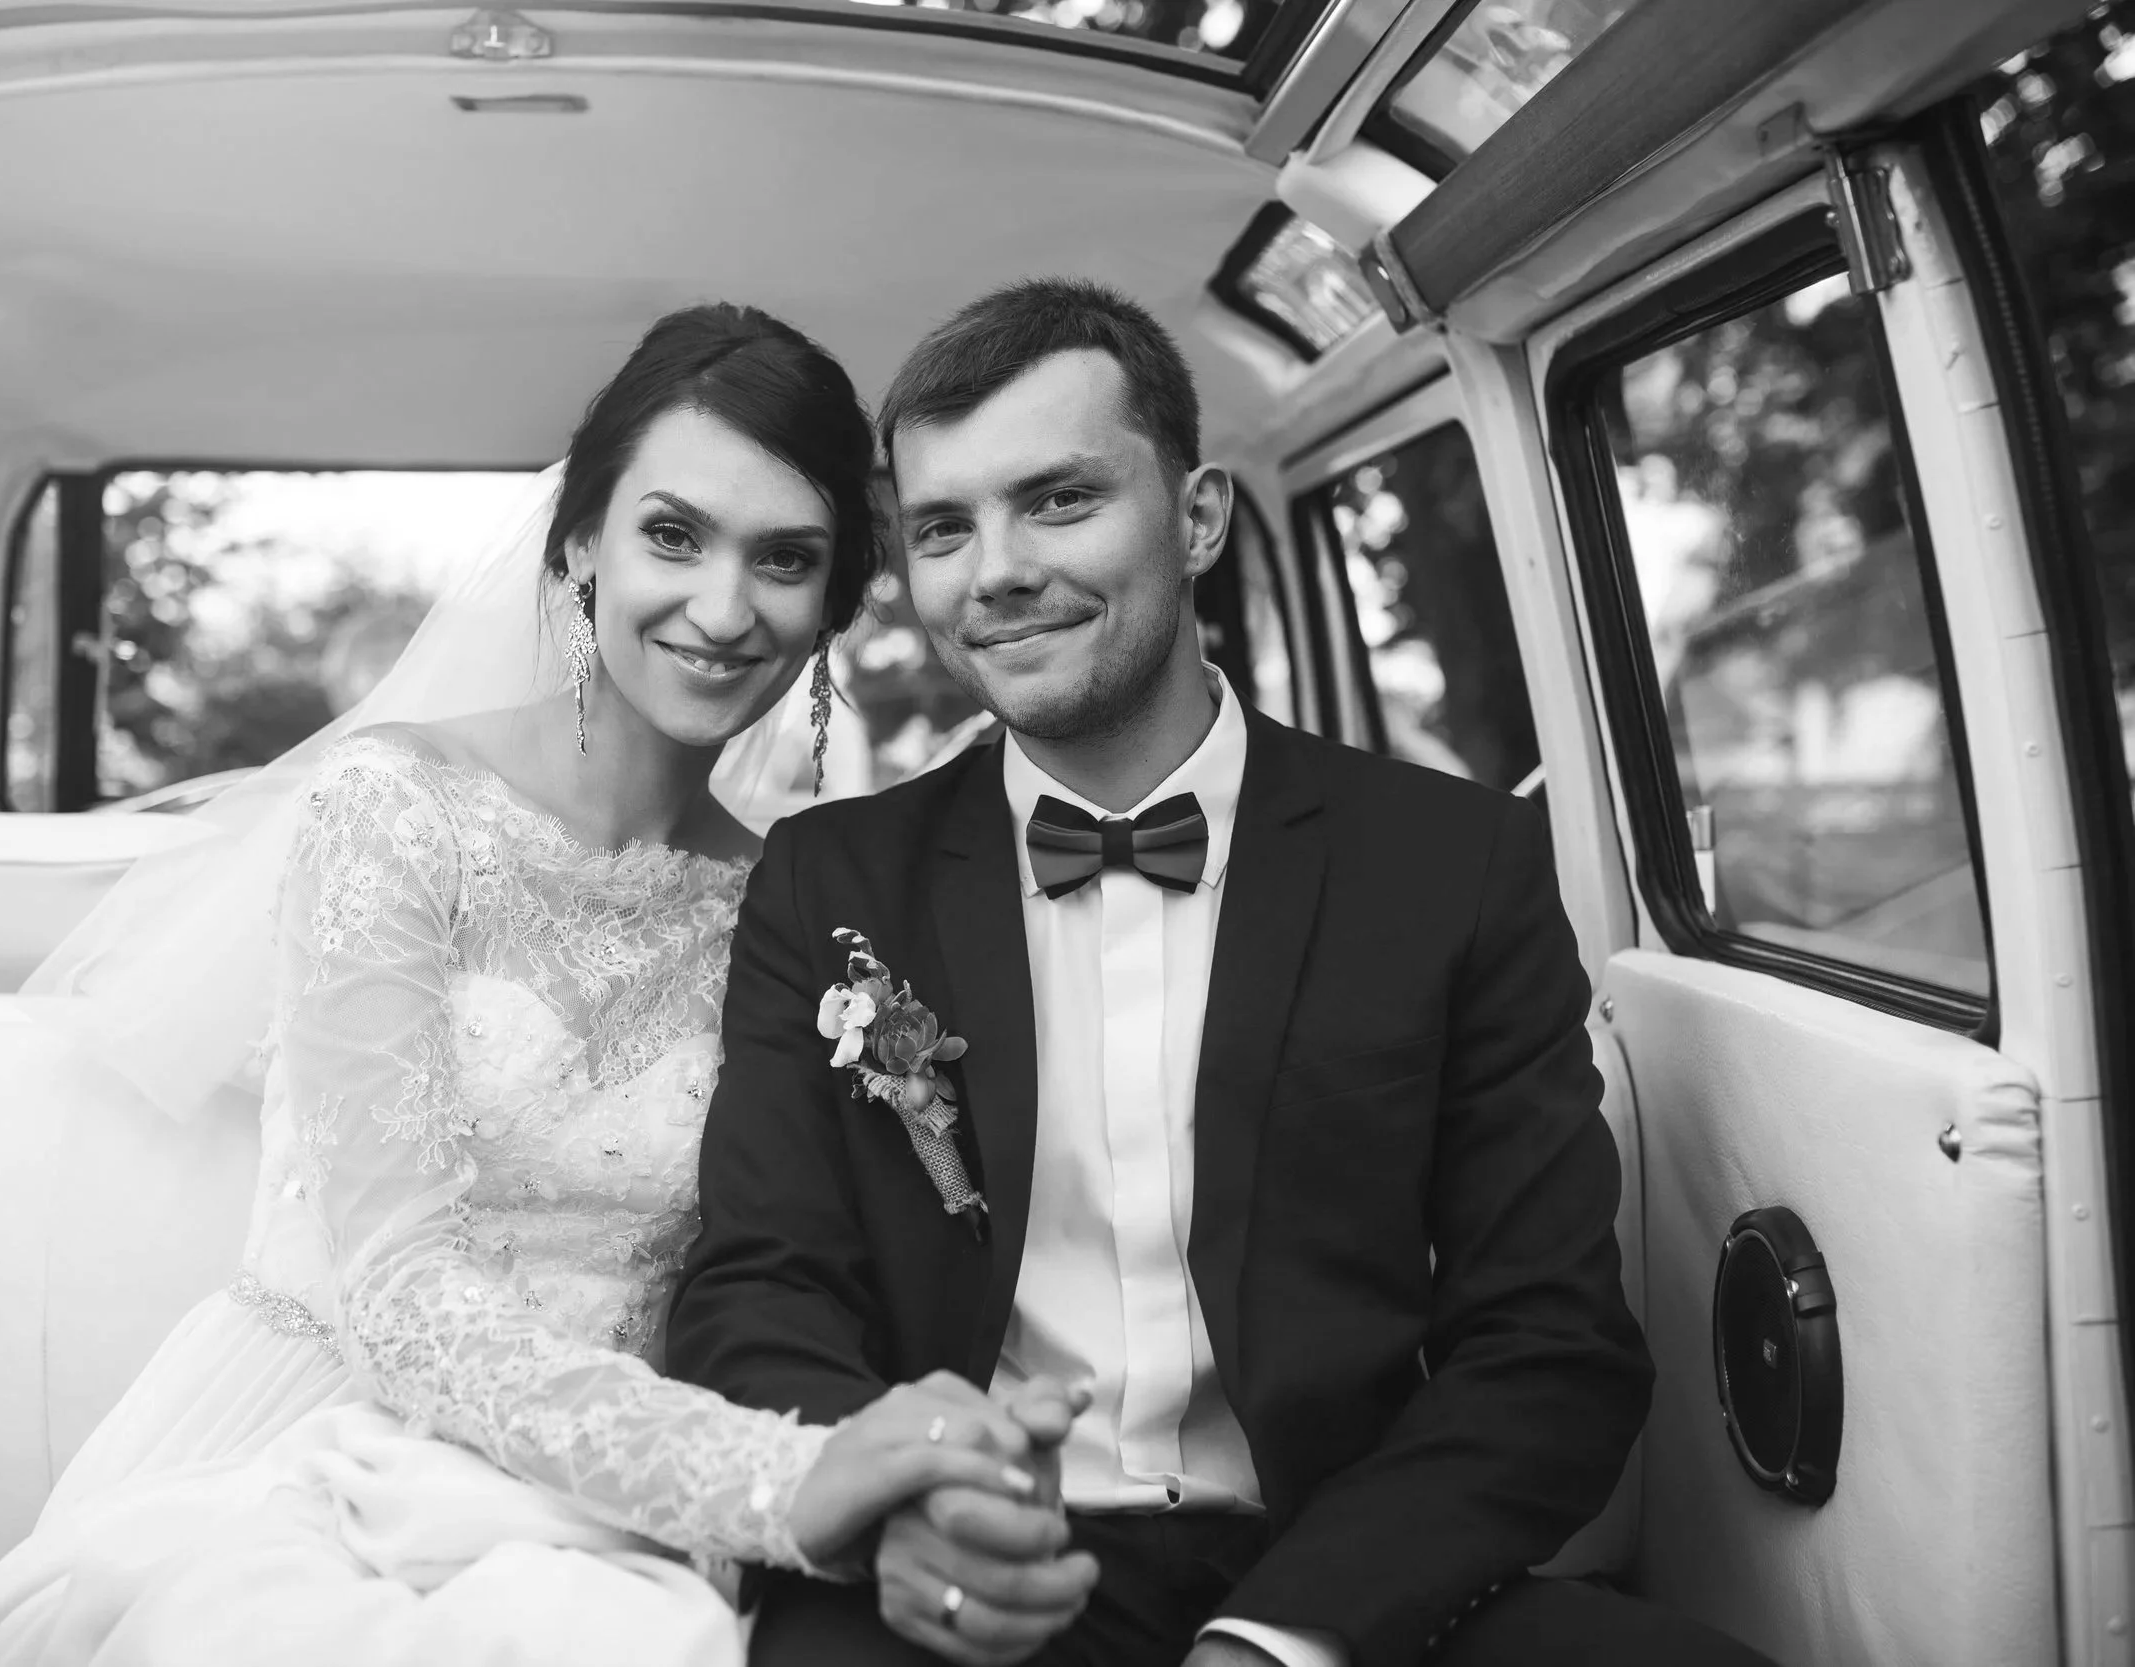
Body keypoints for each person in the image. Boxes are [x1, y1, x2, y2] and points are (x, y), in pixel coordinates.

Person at [0, 303, 1087, 1667]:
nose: (724, 609)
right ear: (581, 543)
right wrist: (779, 1480)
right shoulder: (395, 813)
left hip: (612, 1496)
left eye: (785, 559)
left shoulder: (791, 904)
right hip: (322, 1445)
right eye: (673, 535)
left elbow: (807, 1262)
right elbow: (398, 1287)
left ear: (833, 604)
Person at [666, 280, 1779, 1667]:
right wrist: (905, 1497)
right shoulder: (830, 883)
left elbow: (1550, 1350)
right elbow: (757, 1291)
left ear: (1198, 518)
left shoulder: (1451, 864)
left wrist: (1282, 1635)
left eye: (1059, 500)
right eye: (945, 527)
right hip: (964, 1569)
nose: (995, 571)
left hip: (1335, 1568)